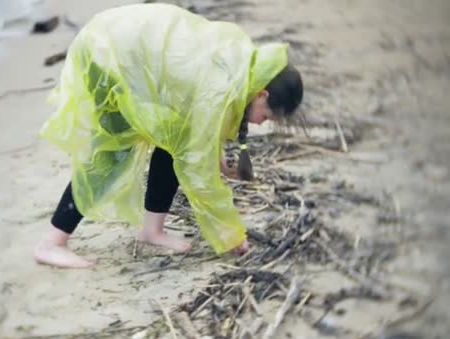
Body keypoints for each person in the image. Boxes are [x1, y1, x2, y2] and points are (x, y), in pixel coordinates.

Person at [34, 3, 303, 268]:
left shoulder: (244, 67)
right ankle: (52, 243)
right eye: (265, 116)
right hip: (108, 51)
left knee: (173, 136)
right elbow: (199, 174)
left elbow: (197, 123)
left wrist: (219, 160)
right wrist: (229, 234)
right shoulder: (224, 86)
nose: (258, 123)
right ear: (262, 94)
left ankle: (152, 230)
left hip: (127, 44)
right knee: (111, 154)